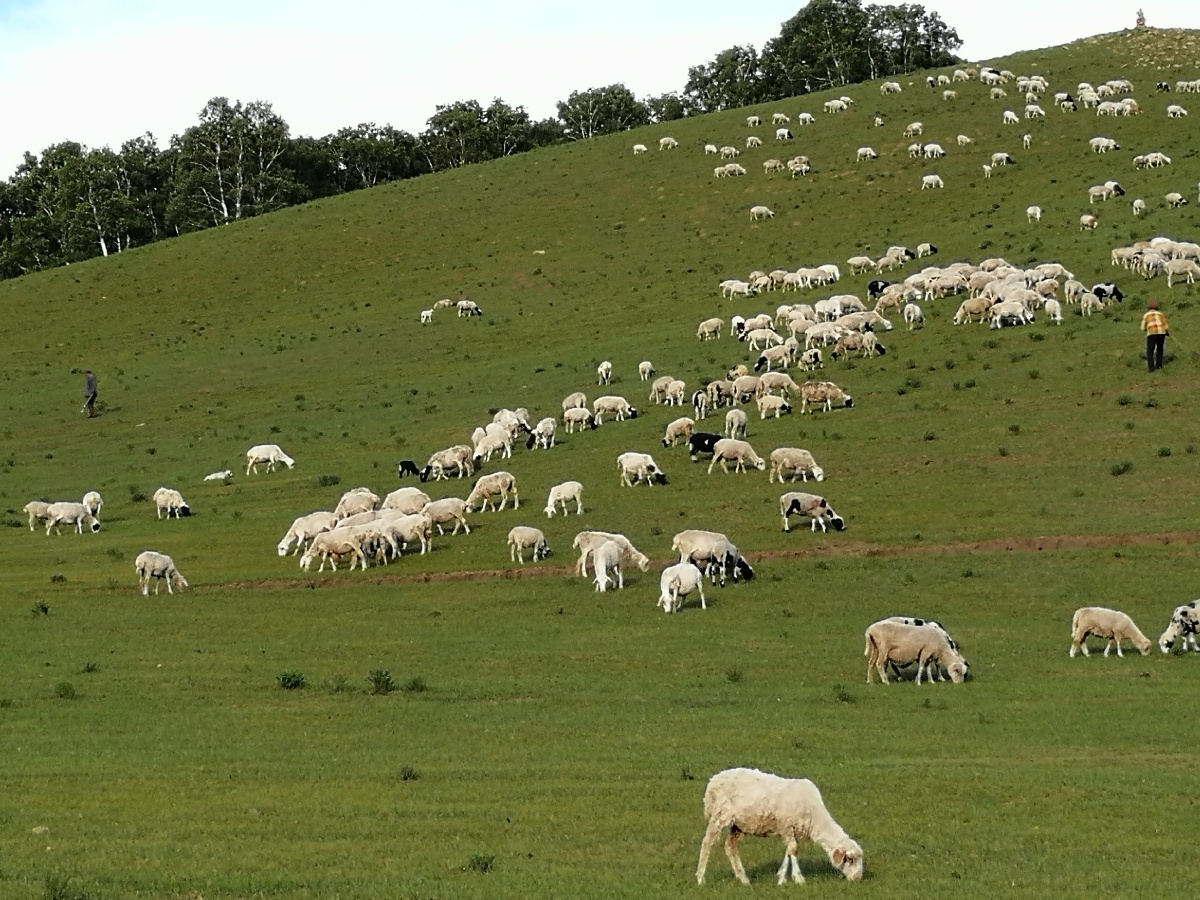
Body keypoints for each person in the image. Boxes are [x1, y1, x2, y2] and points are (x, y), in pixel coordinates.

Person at [1140, 300, 1168, 372]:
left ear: (1148, 308)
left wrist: (1147, 329)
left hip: (1152, 333)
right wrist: (1166, 332)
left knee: (1150, 351)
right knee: (1160, 349)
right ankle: (1159, 366)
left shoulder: (1146, 315)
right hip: (1162, 333)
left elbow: (1142, 327)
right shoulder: (1161, 314)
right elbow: (1165, 325)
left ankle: (1151, 368)